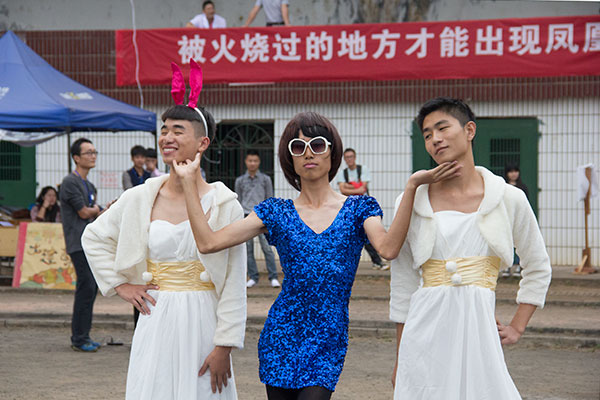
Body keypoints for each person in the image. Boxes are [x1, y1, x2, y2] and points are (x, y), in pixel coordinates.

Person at [172, 111, 459, 399]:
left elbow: (388, 249)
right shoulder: (275, 211)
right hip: (282, 336)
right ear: (290, 159)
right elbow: (208, 242)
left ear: (332, 153)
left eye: (317, 145)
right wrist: (188, 184)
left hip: (328, 338)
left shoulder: (359, 208)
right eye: (298, 147)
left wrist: (412, 186)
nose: (308, 153)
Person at [390, 97, 552, 399]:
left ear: (469, 130)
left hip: (480, 333)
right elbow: (403, 283)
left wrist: (517, 326)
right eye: (427, 134)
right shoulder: (411, 200)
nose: (435, 139)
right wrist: (401, 358)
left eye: (442, 128)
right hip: (423, 335)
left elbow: (538, 265)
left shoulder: (507, 198)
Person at [82, 103, 246, 399]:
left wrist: (225, 346)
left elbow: (234, 279)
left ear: (202, 143)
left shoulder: (225, 204)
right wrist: (120, 284)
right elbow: (94, 237)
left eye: (178, 130)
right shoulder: (139, 197)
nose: (167, 138)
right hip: (156, 317)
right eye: (164, 130)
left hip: (204, 321)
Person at [59, 138, 102, 352]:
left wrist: (99, 210)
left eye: (94, 152)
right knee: (86, 287)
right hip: (78, 242)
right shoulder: (70, 182)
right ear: (76, 158)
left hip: (89, 243)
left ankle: (84, 335)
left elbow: (93, 211)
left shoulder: (90, 185)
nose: (93, 156)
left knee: (91, 288)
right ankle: (79, 338)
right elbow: (84, 212)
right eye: (88, 152)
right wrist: (96, 210)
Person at [234, 150, 280, 289]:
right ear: (246, 162)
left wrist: (270, 217)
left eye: (255, 161)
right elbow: (238, 199)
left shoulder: (265, 179)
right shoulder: (240, 180)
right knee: (248, 249)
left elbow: (270, 197)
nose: (252, 163)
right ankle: (253, 277)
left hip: (263, 217)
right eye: (250, 160)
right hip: (246, 215)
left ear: (259, 162)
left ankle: (273, 277)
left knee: (267, 248)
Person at [337, 148, 388, 271]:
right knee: (350, 235)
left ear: (354, 157)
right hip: (350, 208)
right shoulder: (342, 173)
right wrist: (356, 187)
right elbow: (342, 190)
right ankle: (376, 262)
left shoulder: (362, 169)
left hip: (363, 207)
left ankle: (378, 261)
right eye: (347, 157)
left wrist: (349, 186)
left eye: (351, 157)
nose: (349, 159)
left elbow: (362, 189)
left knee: (367, 233)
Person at [502, 163, 530, 277]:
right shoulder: (503, 187)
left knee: (519, 242)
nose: (513, 174)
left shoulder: (523, 188)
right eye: (511, 171)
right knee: (506, 242)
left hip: (518, 218)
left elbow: (526, 205)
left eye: (515, 171)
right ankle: (507, 266)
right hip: (505, 219)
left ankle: (519, 266)